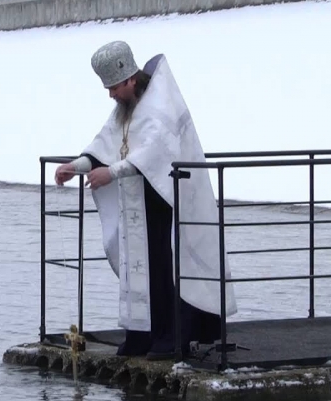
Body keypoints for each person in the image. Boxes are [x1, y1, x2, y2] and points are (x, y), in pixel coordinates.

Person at [54, 41, 238, 360]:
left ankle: (170, 339)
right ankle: (140, 334)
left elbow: (155, 151)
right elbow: (106, 145)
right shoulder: (126, 109)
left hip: (167, 199)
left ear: (129, 79)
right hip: (137, 200)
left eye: (113, 87)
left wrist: (110, 174)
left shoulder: (158, 105)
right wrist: (76, 166)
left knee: (163, 268)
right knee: (135, 268)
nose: (111, 95)